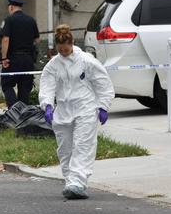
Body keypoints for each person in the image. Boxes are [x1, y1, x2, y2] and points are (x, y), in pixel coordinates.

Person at [38, 24, 114, 200]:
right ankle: (70, 181)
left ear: (72, 43)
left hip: (85, 108)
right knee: (64, 149)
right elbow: (47, 86)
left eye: (66, 49)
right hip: (63, 110)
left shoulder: (86, 61)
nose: (64, 52)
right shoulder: (53, 65)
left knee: (83, 145)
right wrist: (47, 105)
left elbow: (102, 82)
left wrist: (103, 105)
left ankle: (78, 182)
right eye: (61, 50)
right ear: (57, 47)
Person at [0, 0, 40, 108]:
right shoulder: (31, 20)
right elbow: (37, 40)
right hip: (28, 59)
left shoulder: (9, 20)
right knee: (25, 88)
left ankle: (14, 112)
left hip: (12, 59)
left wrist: (3, 58)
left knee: (7, 85)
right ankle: (23, 115)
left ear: (11, 7)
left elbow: (5, 39)